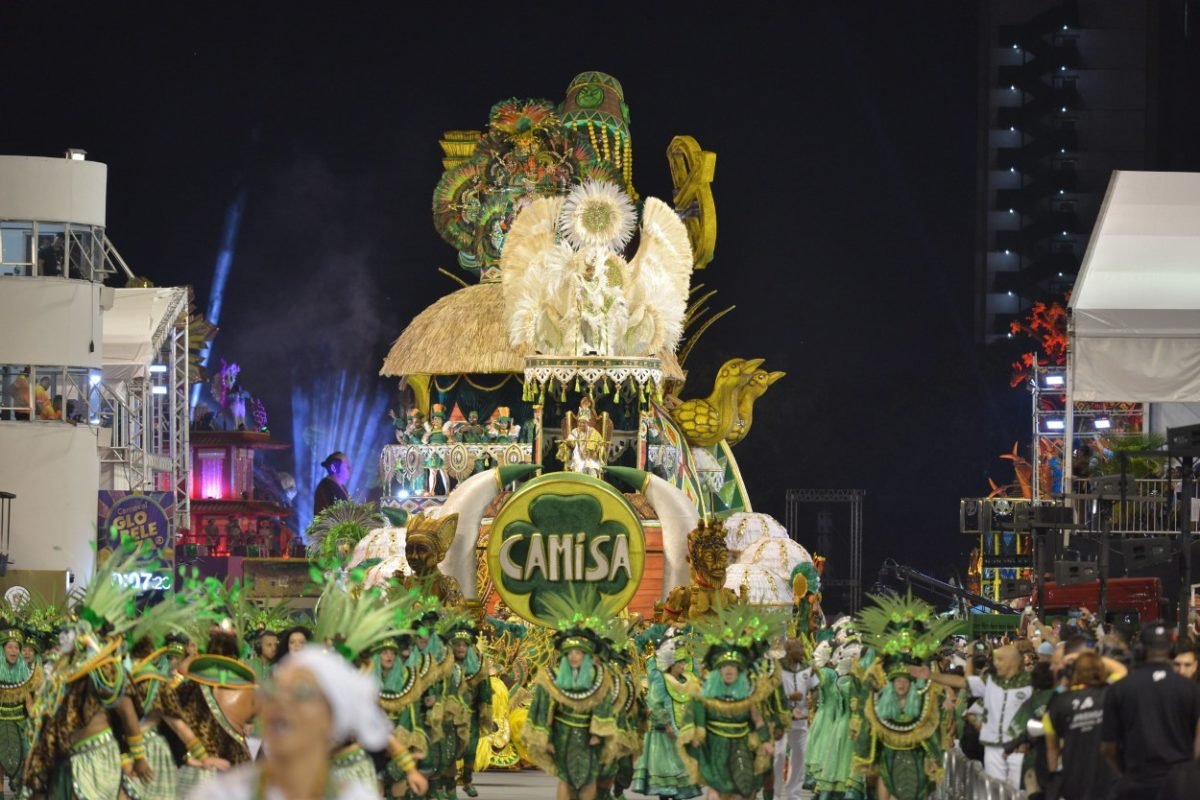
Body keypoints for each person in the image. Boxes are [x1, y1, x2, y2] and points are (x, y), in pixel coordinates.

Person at [187, 647, 394, 800]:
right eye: (274, 691)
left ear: (333, 717)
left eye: (301, 692)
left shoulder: (356, 797)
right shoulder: (222, 795)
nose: (281, 702)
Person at [1100, 622, 1200, 800]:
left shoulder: (1120, 689)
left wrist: (1125, 771)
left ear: (1140, 650)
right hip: (1181, 786)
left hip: (1137, 784)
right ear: (1170, 650)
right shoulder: (1191, 689)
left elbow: (1108, 746)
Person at [1044, 651, 1116, 800]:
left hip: (1074, 782)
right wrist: (1087, 657)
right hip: (1110, 781)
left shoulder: (1057, 703)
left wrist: (1053, 777)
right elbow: (1121, 670)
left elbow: (1052, 747)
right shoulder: (1111, 693)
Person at [772, 639, 814, 800]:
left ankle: (794, 795)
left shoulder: (807, 668)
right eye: (799, 648)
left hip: (800, 721)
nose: (803, 650)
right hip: (781, 720)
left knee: (799, 758)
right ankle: (775, 795)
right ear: (789, 651)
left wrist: (812, 700)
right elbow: (772, 693)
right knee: (779, 755)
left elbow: (814, 687)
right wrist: (789, 699)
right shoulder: (777, 669)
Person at [313, 452, 351, 517]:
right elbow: (335, 511)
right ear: (335, 467)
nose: (349, 469)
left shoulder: (343, 487)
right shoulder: (326, 485)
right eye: (346, 466)